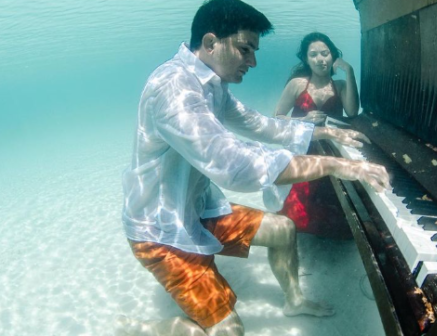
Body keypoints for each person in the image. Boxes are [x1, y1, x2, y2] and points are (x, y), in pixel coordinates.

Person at [117, 1, 390, 335]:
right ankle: (143, 330)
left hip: (198, 211)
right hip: (160, 230)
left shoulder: (212, 85)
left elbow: (259, 124)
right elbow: (233, 165)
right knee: (231, 331)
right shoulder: (173, 88)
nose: (254, 61)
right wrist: (334, 165)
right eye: (245, 49)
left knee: (283, 230)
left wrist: (325, 132)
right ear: (210, 42)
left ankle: (294, 301)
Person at [274, 32, 361, 238]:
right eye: (313, 55)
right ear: (306, 59)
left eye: (325, 53)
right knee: (298, 216)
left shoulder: (339, 86)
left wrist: (349, 71)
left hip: (331, 151)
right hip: (302, 151)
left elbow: (352, 112)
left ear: (333, 56)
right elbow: (277, 118)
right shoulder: (297, 84)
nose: (320, 59)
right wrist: (303, 121)